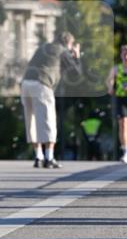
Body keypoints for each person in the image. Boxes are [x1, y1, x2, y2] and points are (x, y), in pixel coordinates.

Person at [20, 32, 81, 168]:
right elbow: (76, 73)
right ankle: (49, 158)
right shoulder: (63, 51)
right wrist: (76, 56)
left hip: (26, 83)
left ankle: (38, 157)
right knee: (48, 120)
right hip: (42, 83)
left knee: (32, 121)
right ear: (68, 43)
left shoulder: (43, 47)